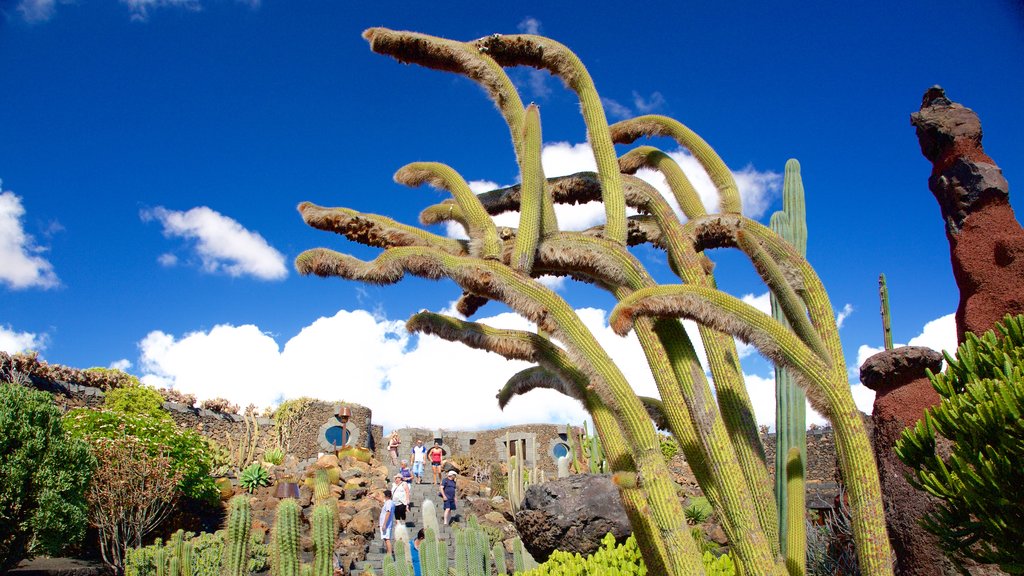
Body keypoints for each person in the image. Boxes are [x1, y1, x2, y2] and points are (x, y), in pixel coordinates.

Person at [379, 489, 395, 558]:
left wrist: (384, 524)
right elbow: (381, 500)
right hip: (386, 524)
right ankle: (389, 553)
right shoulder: (389, 502)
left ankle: (390, 554)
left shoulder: (388, 503)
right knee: (386, 539)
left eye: (383, 495)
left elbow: (388, 513)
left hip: (386, 524)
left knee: (387, 539)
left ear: (386, 496)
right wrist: (374, 497)